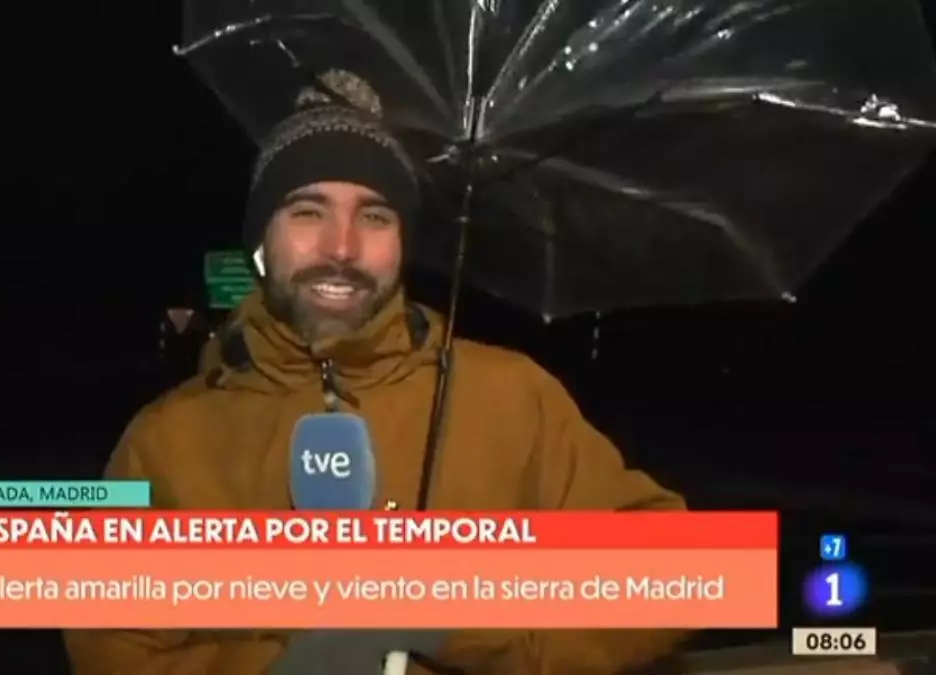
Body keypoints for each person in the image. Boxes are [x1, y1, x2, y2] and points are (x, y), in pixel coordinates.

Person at [65, 70, 689, 675]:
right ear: (261, 240)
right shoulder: (165, 443)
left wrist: (457, 619)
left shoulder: (512, 399)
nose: (342, 247)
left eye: (374, 216)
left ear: (402, 243)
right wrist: (278, 667)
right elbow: (112, 649)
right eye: (307, 212)